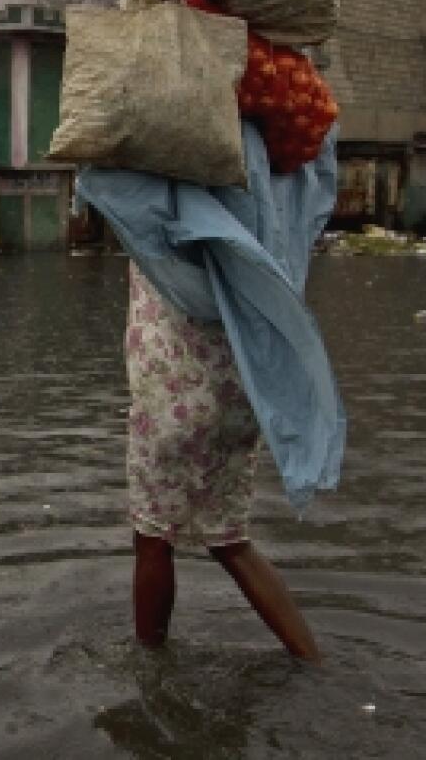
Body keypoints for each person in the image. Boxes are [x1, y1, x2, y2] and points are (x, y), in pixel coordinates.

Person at [124, 265, 320, 661]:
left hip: (173, 392)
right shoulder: (254, 217)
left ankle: (149, 666)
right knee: (231, 540)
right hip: (235, 388)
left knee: (153, 539)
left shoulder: (161, 207)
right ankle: (311, 658)